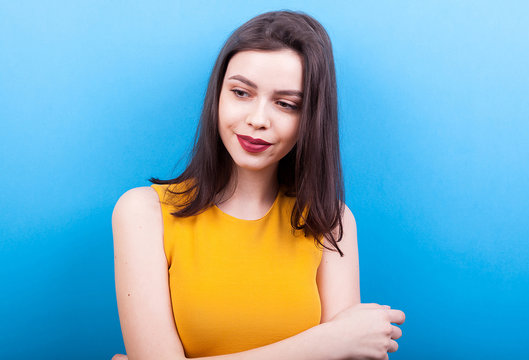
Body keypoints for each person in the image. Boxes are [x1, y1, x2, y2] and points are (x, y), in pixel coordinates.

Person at [112, 10, 405, 360]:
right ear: (217, 96)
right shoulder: (145, 212)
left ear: (309, 118)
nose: (257, 120)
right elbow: (340, 349)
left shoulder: (330, 222)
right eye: (241, 93)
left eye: (285, 104)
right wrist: (331, 342)